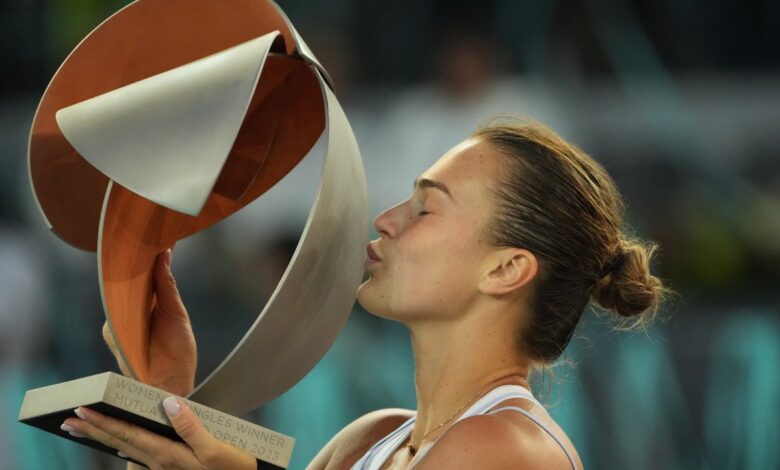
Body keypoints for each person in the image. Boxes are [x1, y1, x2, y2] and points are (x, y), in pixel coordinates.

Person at [60, 117, 668, 469]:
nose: (386, 218)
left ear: (506, 269)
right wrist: (164, 399)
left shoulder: (504, 448)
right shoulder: (369, 438)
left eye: (426, 207)